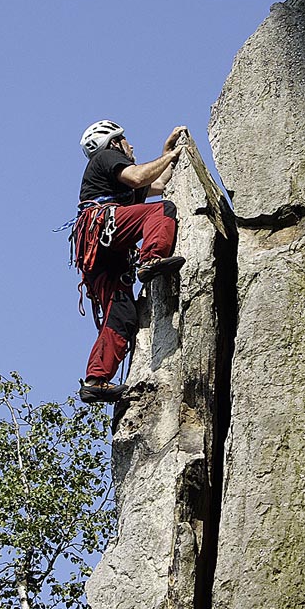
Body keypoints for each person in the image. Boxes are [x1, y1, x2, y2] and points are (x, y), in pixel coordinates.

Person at [74, 120, 187, 404]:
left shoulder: (119, 181)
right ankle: (151, 259)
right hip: (104, 228)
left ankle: (96, 380)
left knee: (121, 316)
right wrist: (169, 156)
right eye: (126, 140)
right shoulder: (108, 158)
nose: (131, 145)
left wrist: (167, 152)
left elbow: (157, 183)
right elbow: (139, 178)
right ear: (114, 143)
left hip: (104, 255)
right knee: (161, 211)